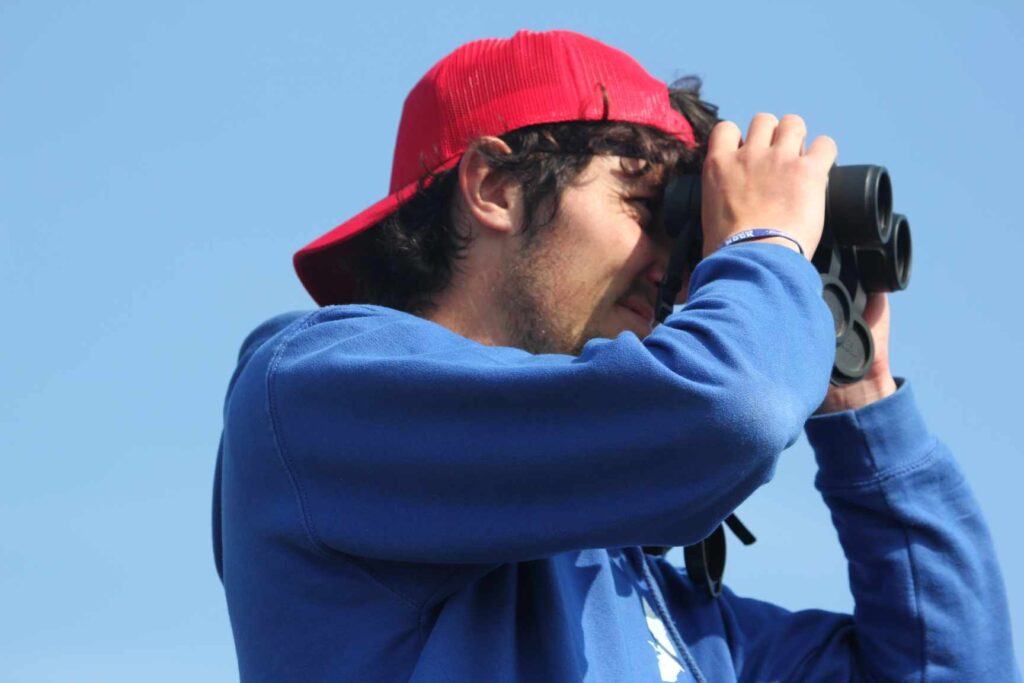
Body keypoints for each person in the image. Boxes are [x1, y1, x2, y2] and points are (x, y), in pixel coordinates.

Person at [212, 30, 1018, 681]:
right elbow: (724, 411)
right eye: (644, 205)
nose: (674, 264)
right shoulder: (316, 395)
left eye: (686, 234)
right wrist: (765, 245)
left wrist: (865, 410)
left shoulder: (643, 598)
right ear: (493, 184)